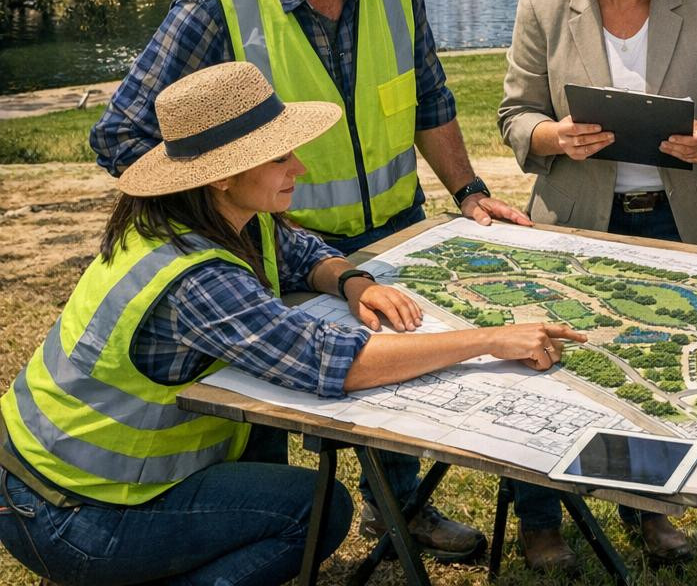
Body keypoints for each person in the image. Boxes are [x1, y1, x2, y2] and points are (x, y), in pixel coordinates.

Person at [88, 0, 525, 560]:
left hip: (392, 230)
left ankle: (402, 510)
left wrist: (470, 189)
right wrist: (222, 212)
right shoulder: (216, 5)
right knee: (263, 407)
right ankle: (259, 527)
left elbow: (428, 97)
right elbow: (122, 138)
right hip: (268, 250)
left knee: (401, 386)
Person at [0, 63, 584, 586]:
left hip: (50, 485)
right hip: (70, 515)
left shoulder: (207, 214)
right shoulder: (195, 277)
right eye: (279, 156)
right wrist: (490, 339)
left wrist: (356, 282)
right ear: (222, 176)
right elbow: (334, 363)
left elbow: (300, 249)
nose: (298, 166)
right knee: (316, 511)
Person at [498, 0, 697, 569]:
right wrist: (554, 137)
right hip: (578, 216)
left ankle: (649, 512)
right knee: (554, 368)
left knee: (659, 371)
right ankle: (541, 520)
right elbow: (515, 116)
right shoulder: (542, 5)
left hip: (682, 222)